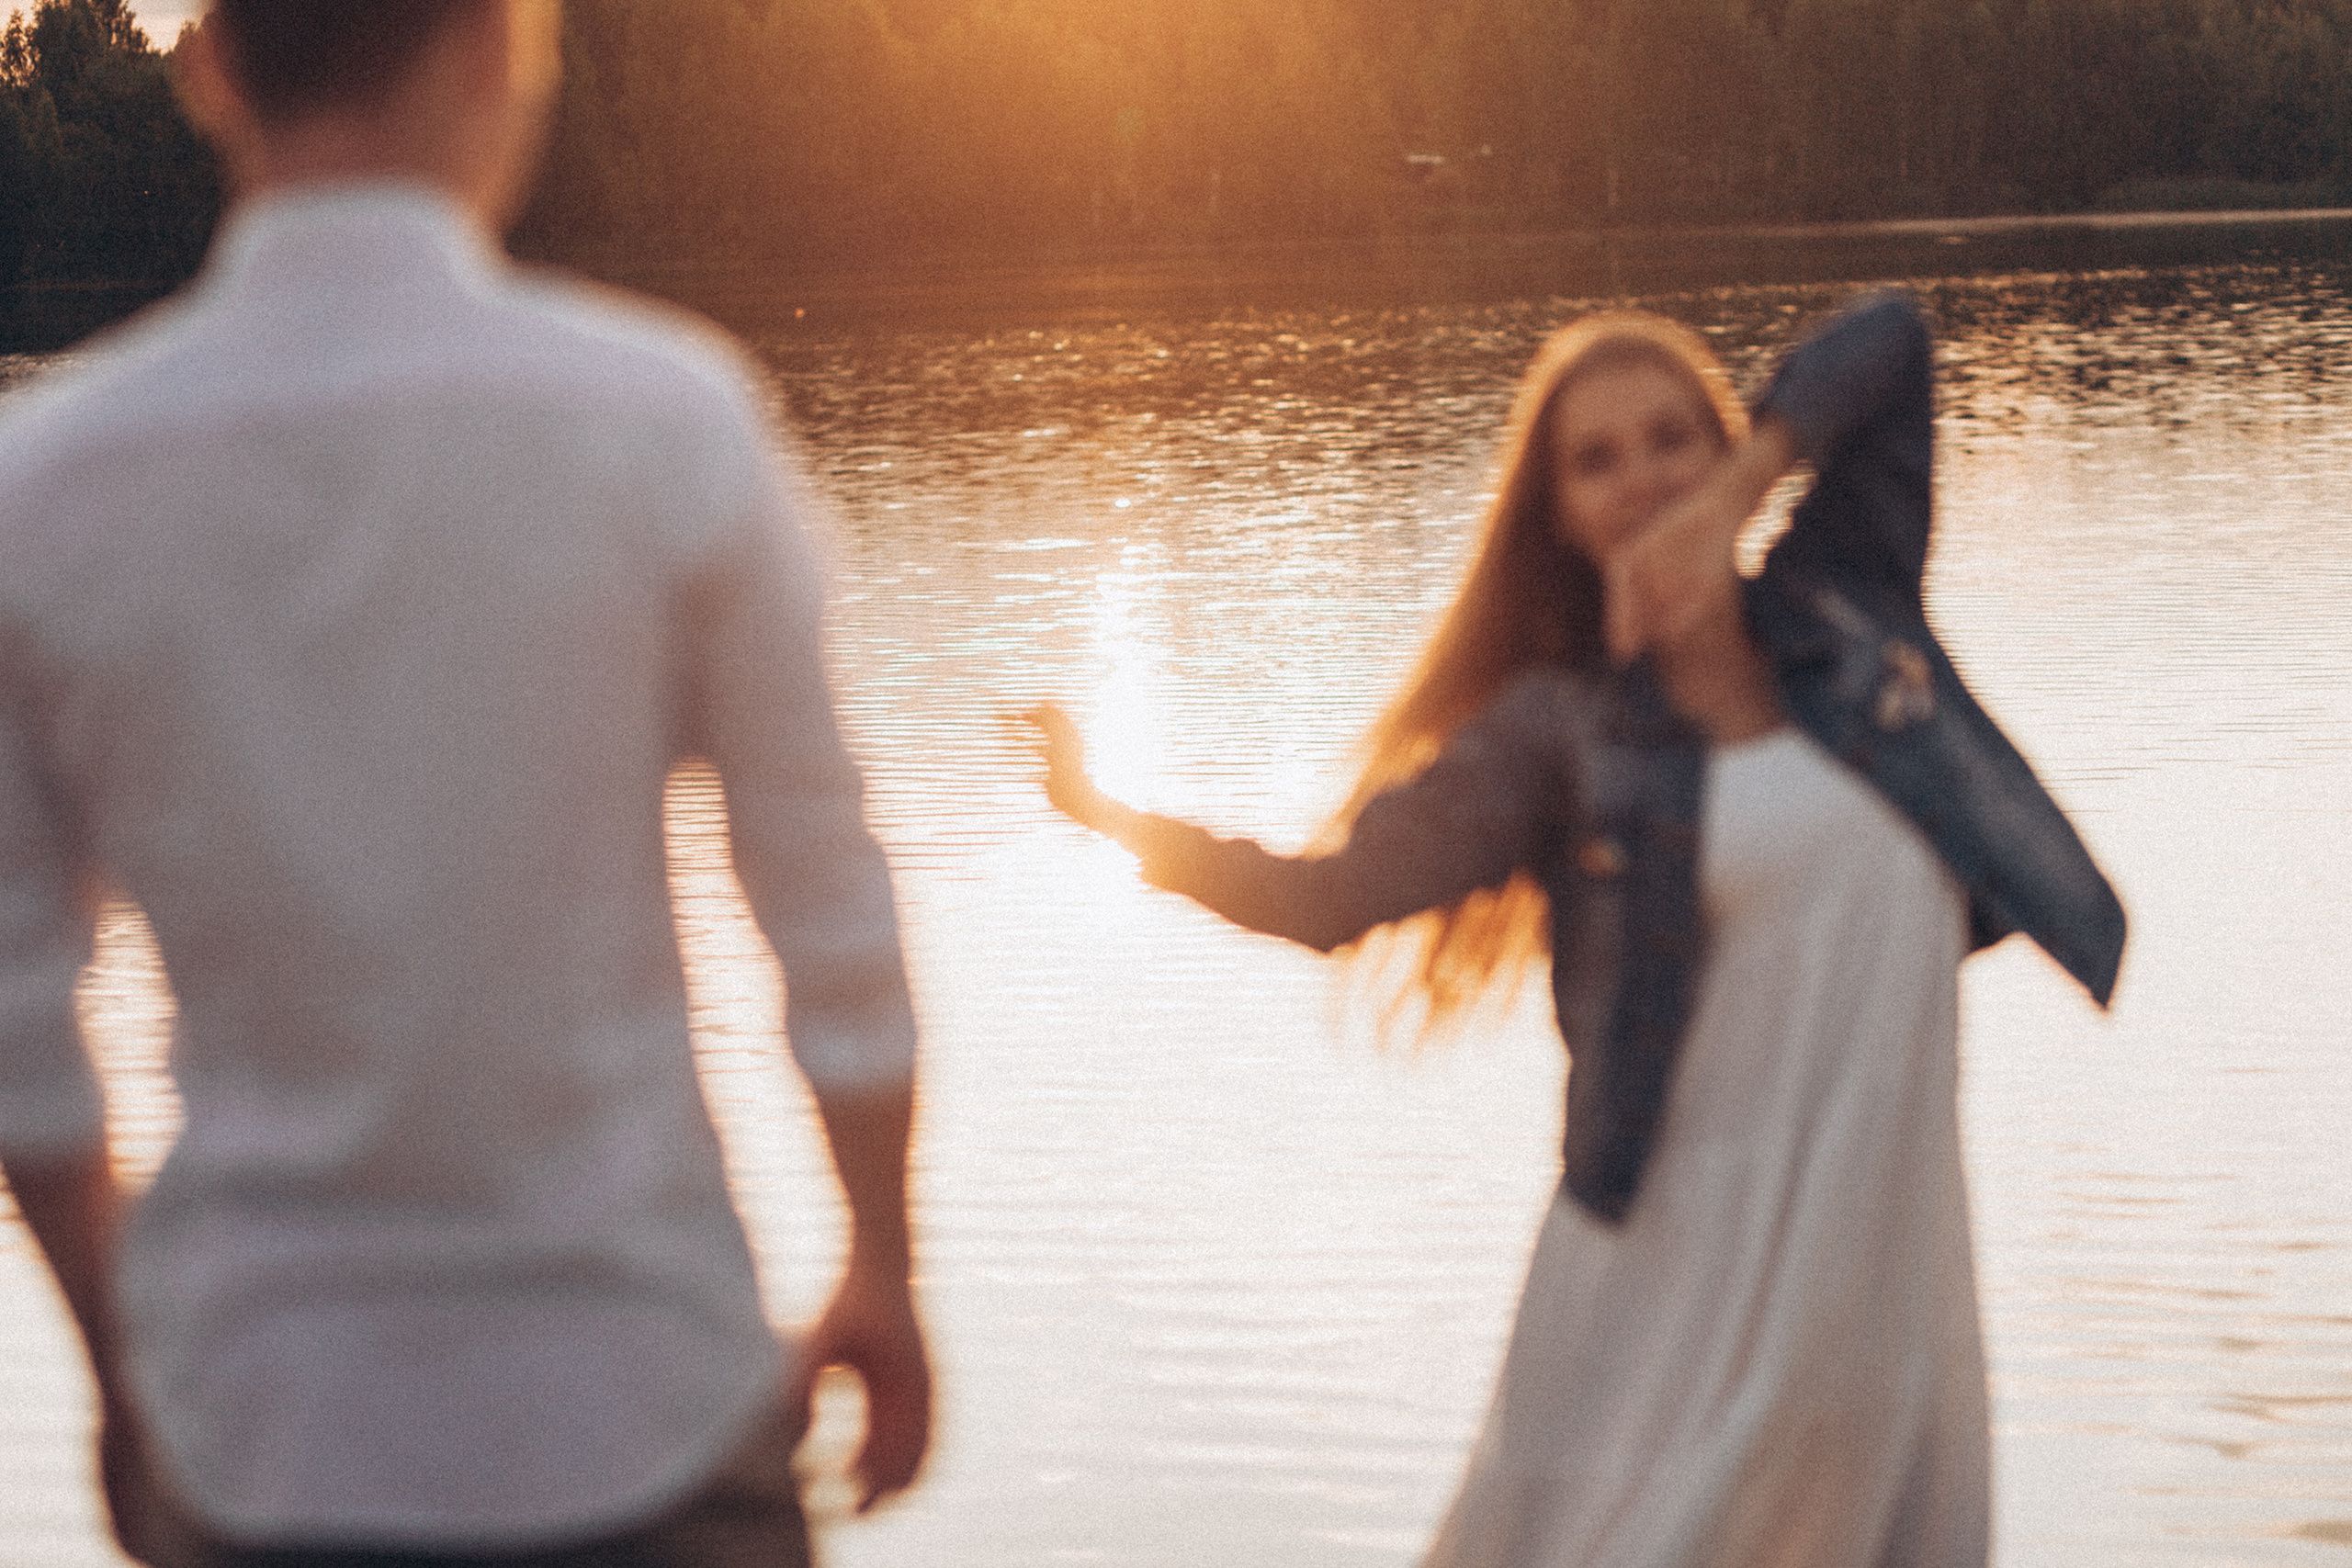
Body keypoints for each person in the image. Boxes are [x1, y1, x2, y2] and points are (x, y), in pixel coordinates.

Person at [0, 3, 930, 1564]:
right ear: (503, 56)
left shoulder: (48, 484)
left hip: (267, 1436)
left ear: (208, 68)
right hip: (645, 1411)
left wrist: (123, 1370)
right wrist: (886, 1271)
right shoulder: (669, 424)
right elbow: (831, 925)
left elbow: (22, 1028)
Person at [1025, 296, 2125, 1567]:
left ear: (1725, 454)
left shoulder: (1847, 607)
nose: (1642, 476)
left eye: (1672, 439)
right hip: (1667, 1273)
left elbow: (1893, 346)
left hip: (1875, 1246)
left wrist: (1756, 480)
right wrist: (1112, 819)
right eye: (1594, 460)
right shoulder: (1560, 735)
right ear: (1555, 514)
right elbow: (1328, 901)